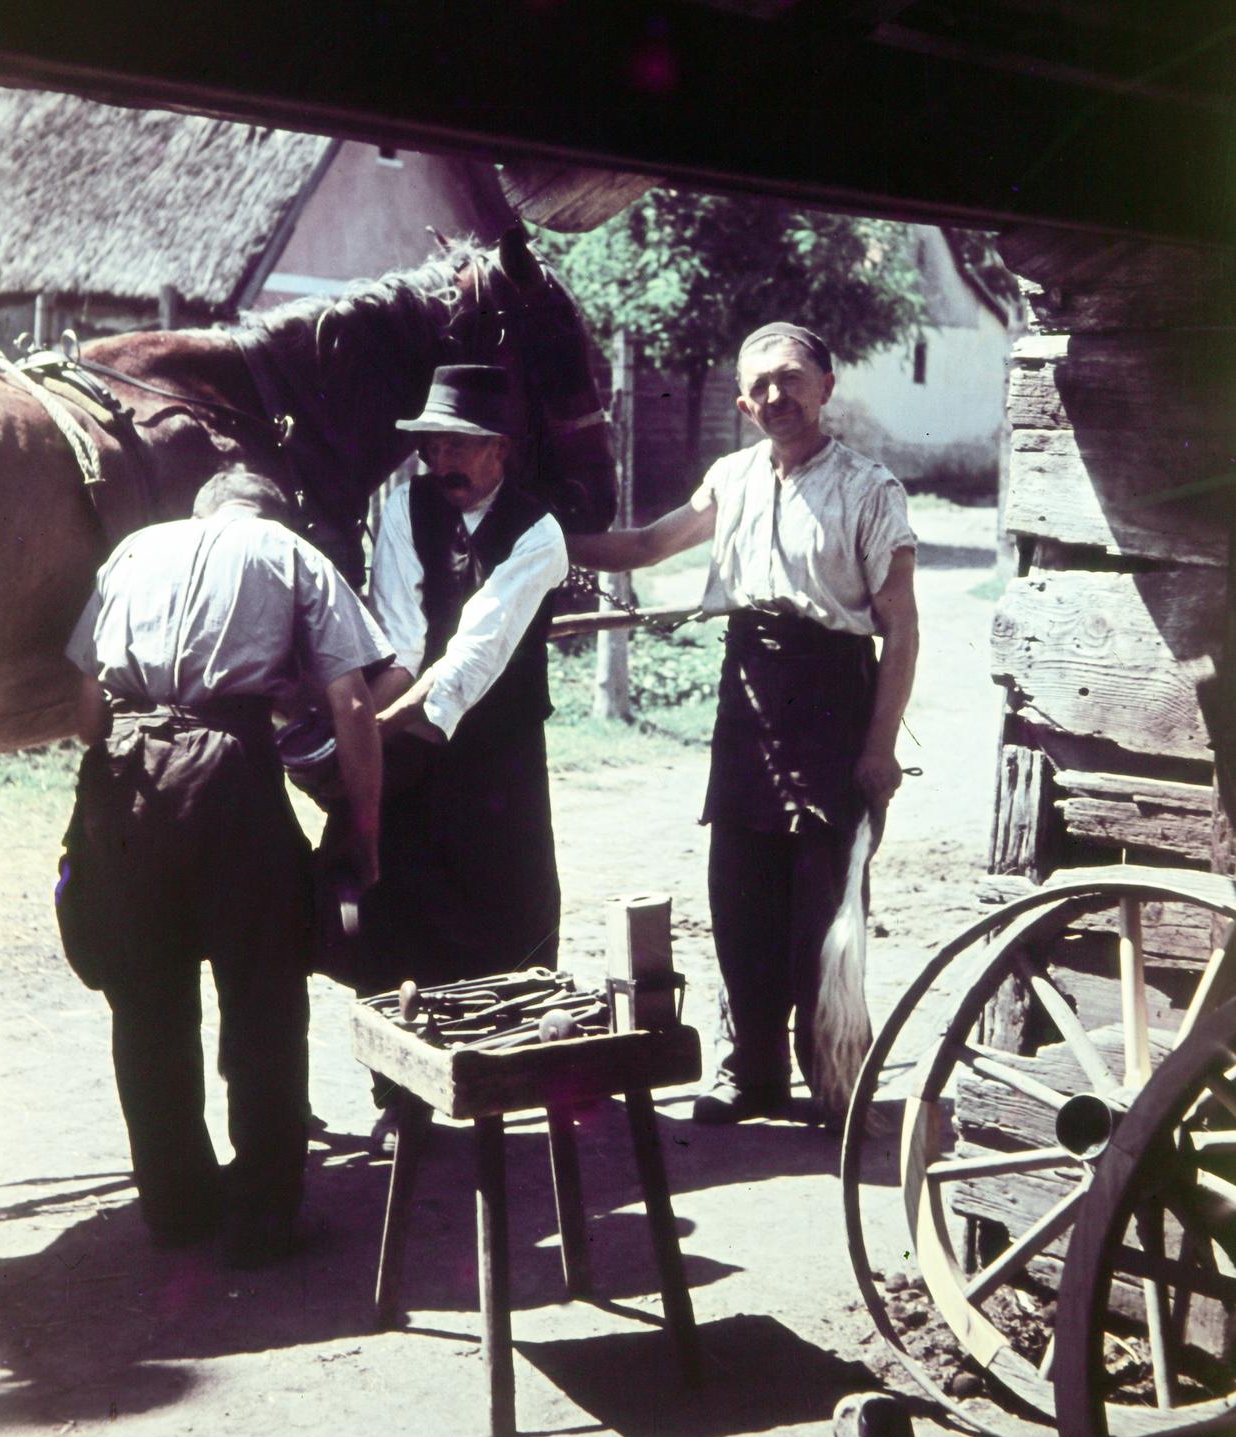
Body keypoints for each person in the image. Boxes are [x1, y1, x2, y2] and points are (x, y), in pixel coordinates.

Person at [568, 323, 919, 1126]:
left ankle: (833, 1080)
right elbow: (649, 544)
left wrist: (878, 747)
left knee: (824, 909)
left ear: (826, 385)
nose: (775, 397)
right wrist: (548, 543)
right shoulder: (729, 477)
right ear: (741, 403)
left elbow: (899, 627)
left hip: (832, 699)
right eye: (758, 386)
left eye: (790, 378)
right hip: (747, 700)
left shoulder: (870, 490)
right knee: (738, 898)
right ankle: (749, 1071)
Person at [56, 467, 391, 1266]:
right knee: (264, 997)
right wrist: (364, 832)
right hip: (229, 768)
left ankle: (176, 1211)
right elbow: (352, 703)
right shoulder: (286, 551)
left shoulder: (134, 550)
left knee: (145, 1003)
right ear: (273, 512)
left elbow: (83, 709)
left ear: (201, 509)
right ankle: (265, 1222)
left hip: (124, 775)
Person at [345, 363, 568, 1040]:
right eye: (433, 446)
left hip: (499, 753)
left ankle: (510, 1070)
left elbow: (476, 651)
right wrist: (374, 738)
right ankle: (403, 1088)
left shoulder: (539, 534)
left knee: (510, 907)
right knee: (399, 908)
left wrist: (377, 729)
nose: (443, 460)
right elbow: (402, 632)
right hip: (415, 750)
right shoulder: (406, 507)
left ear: (500, 447)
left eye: (460, 445)